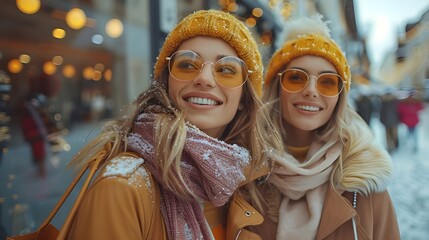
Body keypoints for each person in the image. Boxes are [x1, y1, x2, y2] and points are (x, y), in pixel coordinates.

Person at [64, 9, 281, 240]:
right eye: (187, 65)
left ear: (243, 98)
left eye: (226, 70)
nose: (204, 79)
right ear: (167, 84)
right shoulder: (122, 187)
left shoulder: (245, 184)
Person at [248, 15, 400, 239]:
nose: (311, 90)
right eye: (296, 78)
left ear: (339, 98)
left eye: (328, 82)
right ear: (276, 88)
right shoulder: (244, 173)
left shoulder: (364, 185)